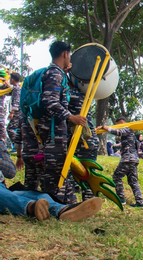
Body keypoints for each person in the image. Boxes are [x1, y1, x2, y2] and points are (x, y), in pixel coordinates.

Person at [38, 41, 86, 197]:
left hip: (55, 131)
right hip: (53, 132)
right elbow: (49, 101)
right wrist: (71, 117)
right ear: (65, 54)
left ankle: (56, 201)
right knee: (57, 168)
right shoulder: (54, 73)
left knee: (54, 168)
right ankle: (62, 203)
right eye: (69, 54)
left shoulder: (57, 73)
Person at [98, 117, 143, 208]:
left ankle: (121, 198)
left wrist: (105, 127)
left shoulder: (127, 128)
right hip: (133, 159)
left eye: (117, 125)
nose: (117, 127)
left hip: (128, 159)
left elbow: (118, 132)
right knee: (133, 181)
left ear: (121, 122)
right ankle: (140, 202)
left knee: (116, 177)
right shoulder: (130, 132)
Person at [7, 72, 21, 151]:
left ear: (12, 79)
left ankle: (17, 147)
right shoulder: (17, 88)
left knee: (10, 129)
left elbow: (16, 101)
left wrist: (12, 112)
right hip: (19, 112)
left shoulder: (16, 89)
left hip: (16, 112)